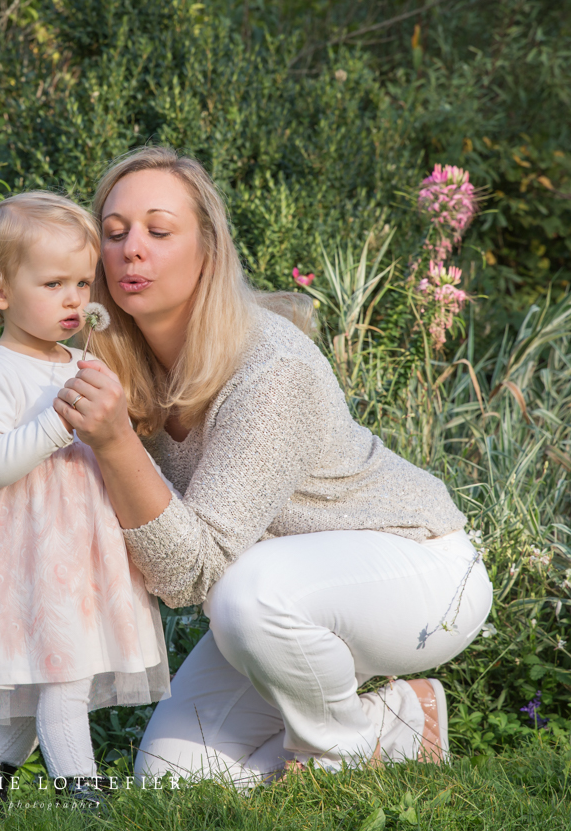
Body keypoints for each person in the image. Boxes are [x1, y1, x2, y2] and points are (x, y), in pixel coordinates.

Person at [50, 146, 493, 787]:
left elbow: (193, 575)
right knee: (174, 779)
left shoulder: (270, 368)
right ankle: (398, 724)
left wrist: (116, 442)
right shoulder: (120, 368)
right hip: (287, 599)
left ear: (208, 250)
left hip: (419, 570)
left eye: (158, 230)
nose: (130, 250)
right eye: (114, 234)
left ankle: (334, 753)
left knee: (245, 592)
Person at [0, 191, 171, 811]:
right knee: (62, 680)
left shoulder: (82, 360)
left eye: (82, 281)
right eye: (53, 284)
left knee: (47, 681)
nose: (75, 299)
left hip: (86, 553)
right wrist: (60, 422)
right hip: (31, 556)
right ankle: (85, 799)